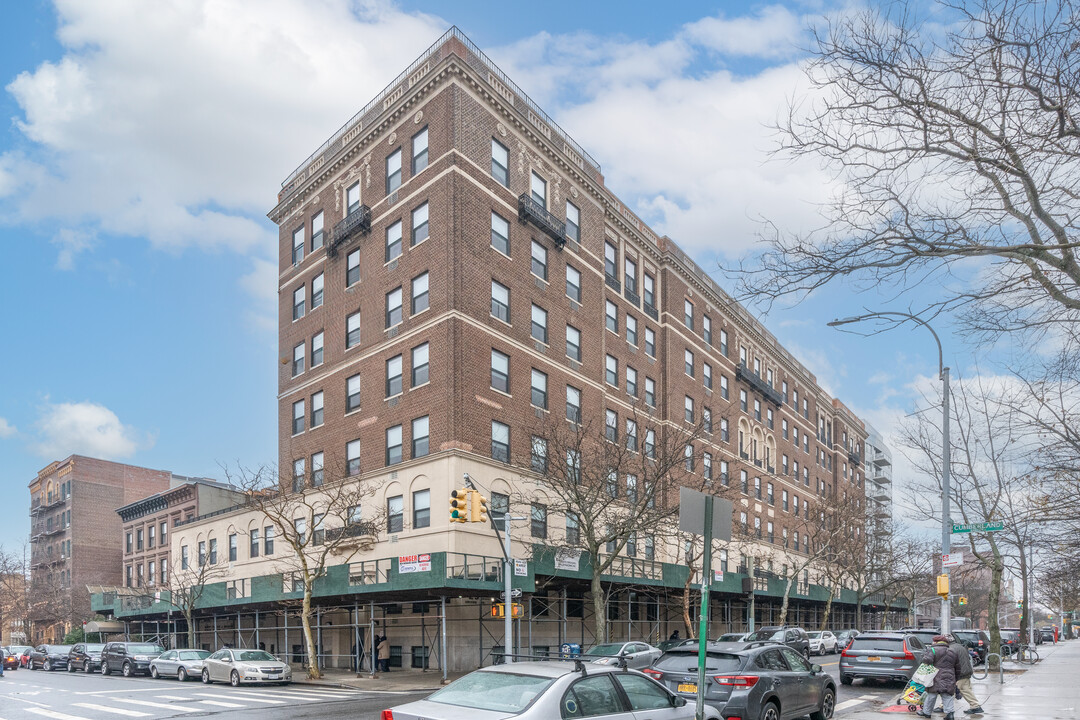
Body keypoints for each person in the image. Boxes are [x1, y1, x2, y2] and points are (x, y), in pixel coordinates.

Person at [918, 635, 962, 720]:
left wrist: (925, 656)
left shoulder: (933, 650)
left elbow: (927, 661)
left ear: (936, 642)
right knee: (947, 695)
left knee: (931, 695)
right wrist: (956, 678)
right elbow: (958, 667)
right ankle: (950, 714)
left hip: (935, 676)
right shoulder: (953, 651)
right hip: (950, 676)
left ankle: (926, 712)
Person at [947, 635, 983, 715]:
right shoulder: (959, 647)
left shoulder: (950, 649)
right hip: (966, 671)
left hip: (959, 673)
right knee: (965, 689)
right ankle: (975, 706)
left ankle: (943, 706)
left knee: (950, 691)